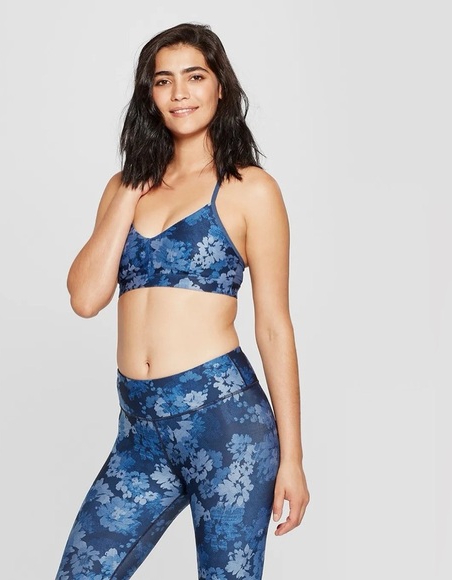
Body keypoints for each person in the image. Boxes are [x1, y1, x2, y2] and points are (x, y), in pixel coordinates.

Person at [55, 22, 309, 580]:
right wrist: (132, 186)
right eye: (163, 80)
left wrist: (292, 458)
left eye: (194, 77)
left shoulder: (250, 189)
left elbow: (273, 326)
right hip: (139, 430)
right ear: (149, 94)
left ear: (220, 87)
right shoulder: (123, 186)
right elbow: (86, 298)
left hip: (226, 426)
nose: (179, 93)